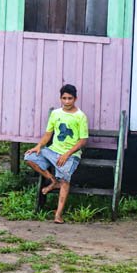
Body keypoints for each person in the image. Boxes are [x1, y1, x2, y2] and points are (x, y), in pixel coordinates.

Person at [24, 83, 89, 224]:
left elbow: (83, 140)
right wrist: (39, 146)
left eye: (70, 98)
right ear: (60, 98)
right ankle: (53, 180)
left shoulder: (80, 116)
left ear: (75, 99)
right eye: (64, 98)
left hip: (71, 155)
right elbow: (48, 134)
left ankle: (58, 215)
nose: (67, 101)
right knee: (29, 157)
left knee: (65, 180)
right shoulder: (55, 113)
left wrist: (67, 154)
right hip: (53, 151)